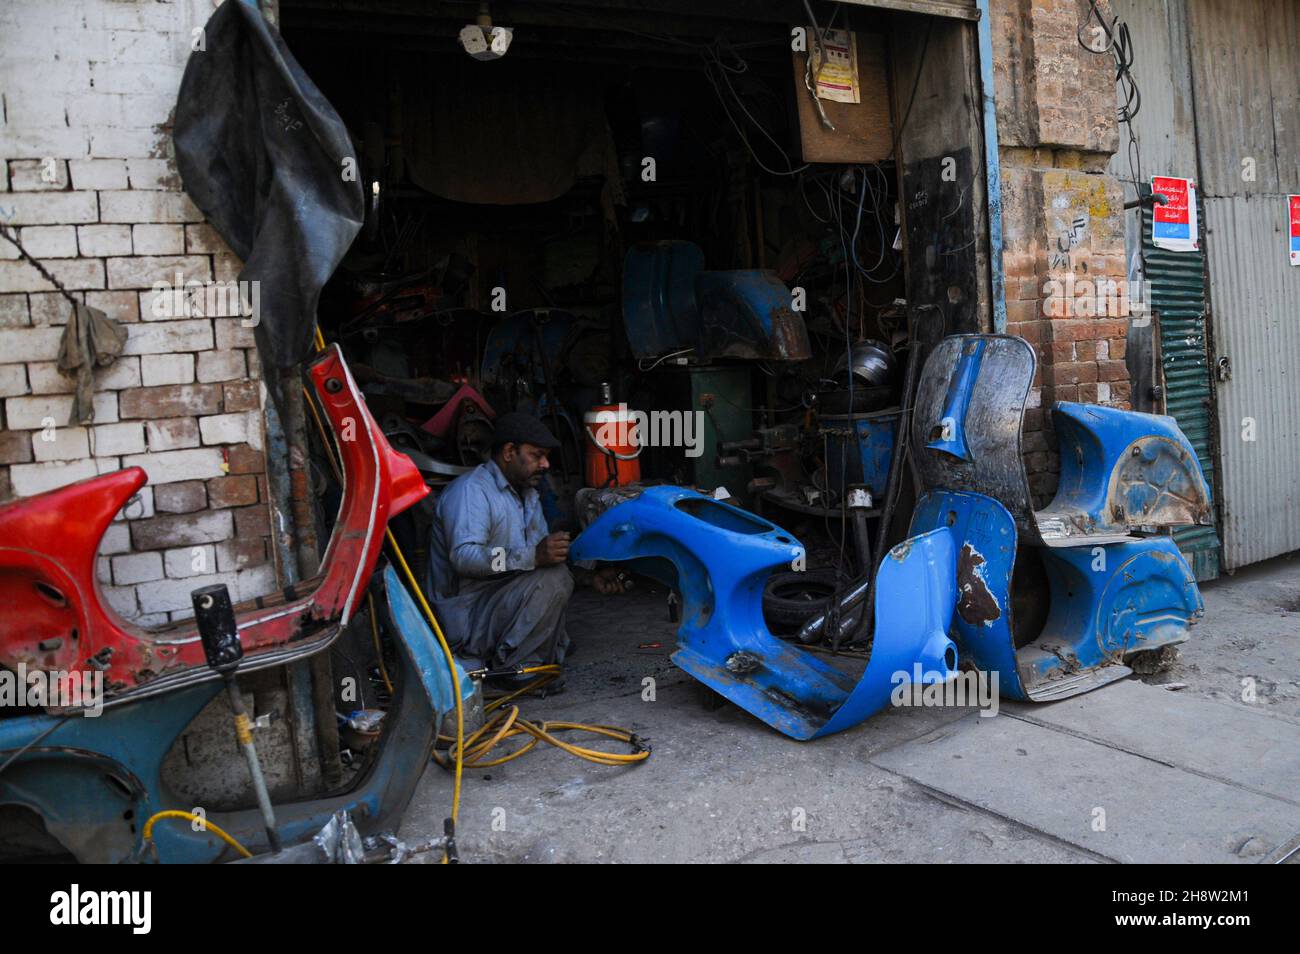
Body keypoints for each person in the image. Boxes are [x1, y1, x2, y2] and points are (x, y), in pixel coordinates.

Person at [424, 411, 626, 682]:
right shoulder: (471, 491)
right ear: (509, 452)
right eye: (536, 455)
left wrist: (589, 578)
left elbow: (541, 563)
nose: (545, 464)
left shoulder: (527, 495)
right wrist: (533, 555)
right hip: (467, 618)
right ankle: (516, 669)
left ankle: (529, 653)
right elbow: (464, 558)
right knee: (553, 579)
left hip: (498, 605)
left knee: (557, 575)